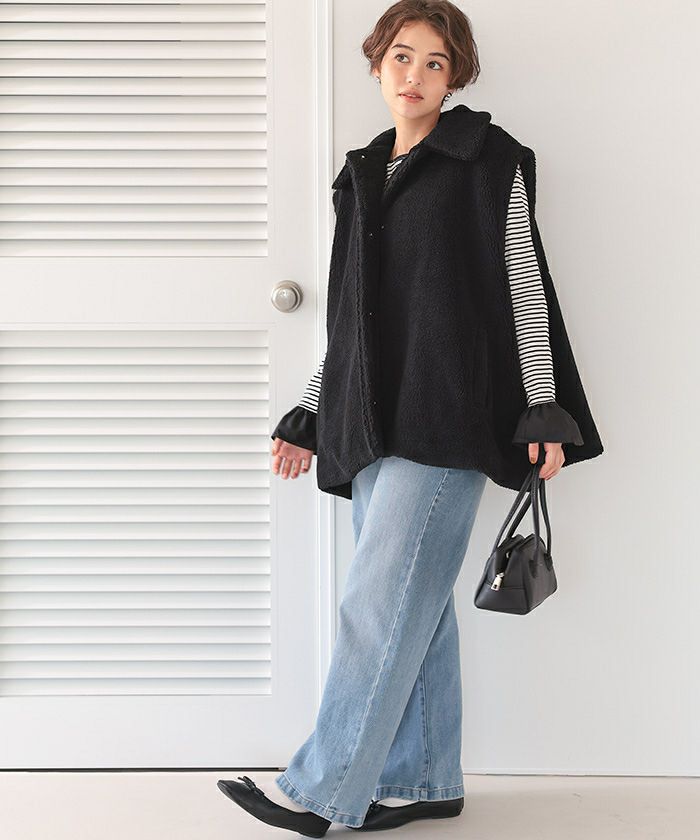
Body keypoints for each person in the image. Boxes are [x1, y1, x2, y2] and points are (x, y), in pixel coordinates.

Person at [217, 1, 604, 835]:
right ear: (376, 62)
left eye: (436, 61)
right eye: (402, 55)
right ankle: (425, 780)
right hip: (372, 418)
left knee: (377, 605)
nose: (416, 75)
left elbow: (524, 285)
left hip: (449, 413)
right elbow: (353, 318)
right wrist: (311, 409)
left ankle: (319, 792)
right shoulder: (361, 173)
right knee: (411, 607)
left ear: (455, 75)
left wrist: (544, 407)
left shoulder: (487, 158)